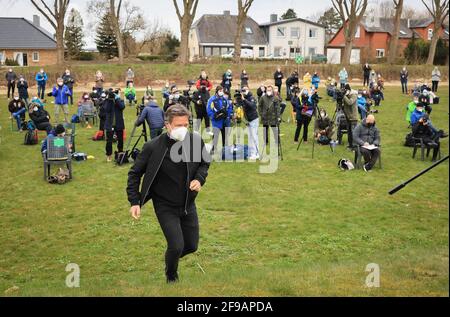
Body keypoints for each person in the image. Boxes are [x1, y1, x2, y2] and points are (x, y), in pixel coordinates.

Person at [127, 104, 210, 283]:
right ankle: (171, 276)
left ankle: (171, 257)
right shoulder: (152, 147)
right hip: (165, 205)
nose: (183, 129)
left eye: (186, 125)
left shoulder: (195, 141)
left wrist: (199, 179)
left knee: (191, 246)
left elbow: (205, 163)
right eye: (178, 125)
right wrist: (134, 201)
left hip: (188, 204)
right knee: (176, 245)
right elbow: (134, 173)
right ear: (168, 125)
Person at [207, 86, 233, 154]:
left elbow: (229, 107)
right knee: (215, 136)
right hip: (216, 121)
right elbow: (209, 109)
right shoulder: (212, 99)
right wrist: (213, 116)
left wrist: (228, 114)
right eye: (220, 91)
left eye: (222, 91)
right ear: (217, 91)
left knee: (225, 135)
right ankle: (213, 150)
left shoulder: (224, 99)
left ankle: (225, 149)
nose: (221, 92)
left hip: (224, 120)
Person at [104, 89, 126, 162]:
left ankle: (120, 153)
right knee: (109, 141)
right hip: (110, 124)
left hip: (119, 123)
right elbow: (106, 109)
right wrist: (109, 99)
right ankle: (109, 155)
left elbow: (122, 107)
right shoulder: (107, 101)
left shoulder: (119, 100)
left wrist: (117, 99)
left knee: (120, 140)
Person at [241, 86, 259, 160]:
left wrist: (244, 100)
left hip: (254, 119)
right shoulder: (244, 98)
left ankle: (257, 153)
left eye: (245, 90)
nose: (244, 91)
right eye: (243, 90)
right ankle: (253, 153)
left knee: (254, 137)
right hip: (249, 120)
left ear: (248, 90)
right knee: (250, 137)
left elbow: (253, 106)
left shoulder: (251, 97)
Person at [342, 84, 359, 149]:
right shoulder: (346, 95)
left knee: (353, 133)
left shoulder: (353, 95)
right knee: (349, 132)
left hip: (353, 117)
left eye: (345, 90)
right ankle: (350, 145)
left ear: (348, 90)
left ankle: (354, 147)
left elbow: (350, 102)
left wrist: (344, 96)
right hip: (348, 117)